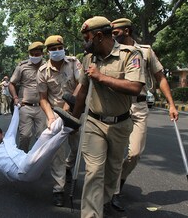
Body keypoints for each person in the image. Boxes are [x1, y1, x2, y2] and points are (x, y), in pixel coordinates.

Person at [58, 16, 145, 217]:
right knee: (94, 171)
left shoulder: (130, 55)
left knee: (112, 172)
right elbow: (82, 91)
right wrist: (74, 119)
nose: (84, 42)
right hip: (93, 122)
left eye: (86, 37)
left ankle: (103, 202)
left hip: (120, 124)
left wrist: (102, 77)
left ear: (98, 36)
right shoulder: (88, 58)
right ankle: (91, 214)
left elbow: (135, 87)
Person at [110, 18, 179, 211]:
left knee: (135, 153)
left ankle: (120, 181)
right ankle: (113, 192)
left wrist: (171, 105)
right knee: (114, 153)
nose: (113, 36)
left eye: (116, 33)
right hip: (117, 105)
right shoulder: (111, 51)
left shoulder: (146, 51)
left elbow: (160, 77)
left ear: (128, 31)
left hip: (138, 107)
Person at [0, 105, 79, 188]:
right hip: (22, 173)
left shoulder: (8, 139)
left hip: (27, 159)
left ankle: (66, 118)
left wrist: (17, 108)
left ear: (2, 134)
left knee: (45, 135)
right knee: (44, 150)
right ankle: (67, 128)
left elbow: (13, 123)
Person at [37, 35, 81, 207]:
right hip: (55, 114)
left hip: (76, 110)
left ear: (64, 48)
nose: (57, 51)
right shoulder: (42, 71)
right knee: (57, 153)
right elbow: (43, 98)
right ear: (48, 52)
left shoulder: (73, 62)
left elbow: (81, 83)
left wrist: (70, 104)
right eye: (53, 49)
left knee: (78, 147)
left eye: (59, 48)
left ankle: (69, 167)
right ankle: (58, 189)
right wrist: (50, 117)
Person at [9, 41, 47, 153]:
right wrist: (15, 98)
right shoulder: (22, 67)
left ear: (42, 54)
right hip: (25, 106)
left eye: (38, 54)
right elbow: (12, 83)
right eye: (33, 54)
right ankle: (22, 158)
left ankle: (37, 161)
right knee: (25, 135)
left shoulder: (47, 66)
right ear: (29, 54)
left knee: (42, 136)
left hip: (42, 107)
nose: (35, 56)